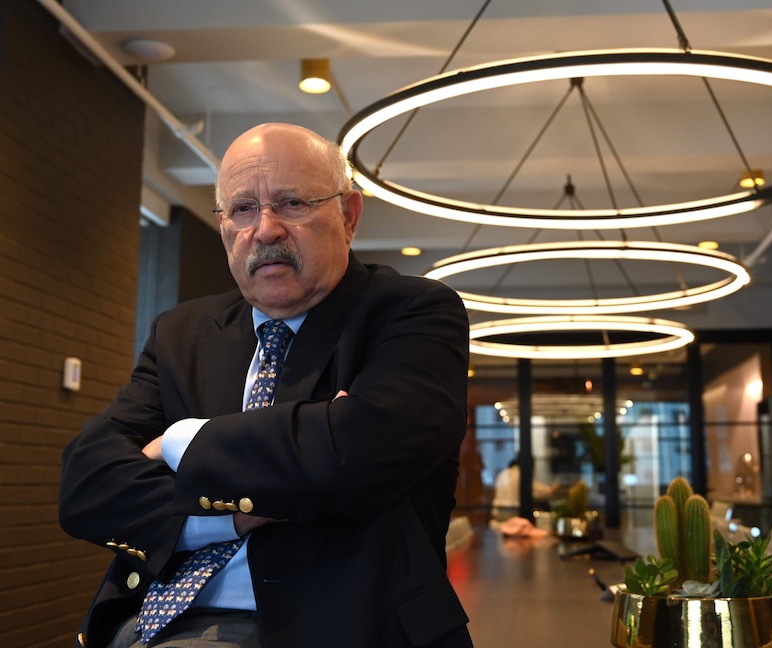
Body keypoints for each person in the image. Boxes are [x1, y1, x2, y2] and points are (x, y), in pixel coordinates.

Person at [58, 123, 473, 648]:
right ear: (224, 226)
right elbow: (85, 484)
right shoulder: (181, 332)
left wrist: (181, 442)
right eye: (243, 209)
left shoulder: (413, 313)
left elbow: (356, 451)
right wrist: (232, 518)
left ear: (348, 216)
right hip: (144, 624)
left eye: (293, 203)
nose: (267, 229)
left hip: (337, 627)